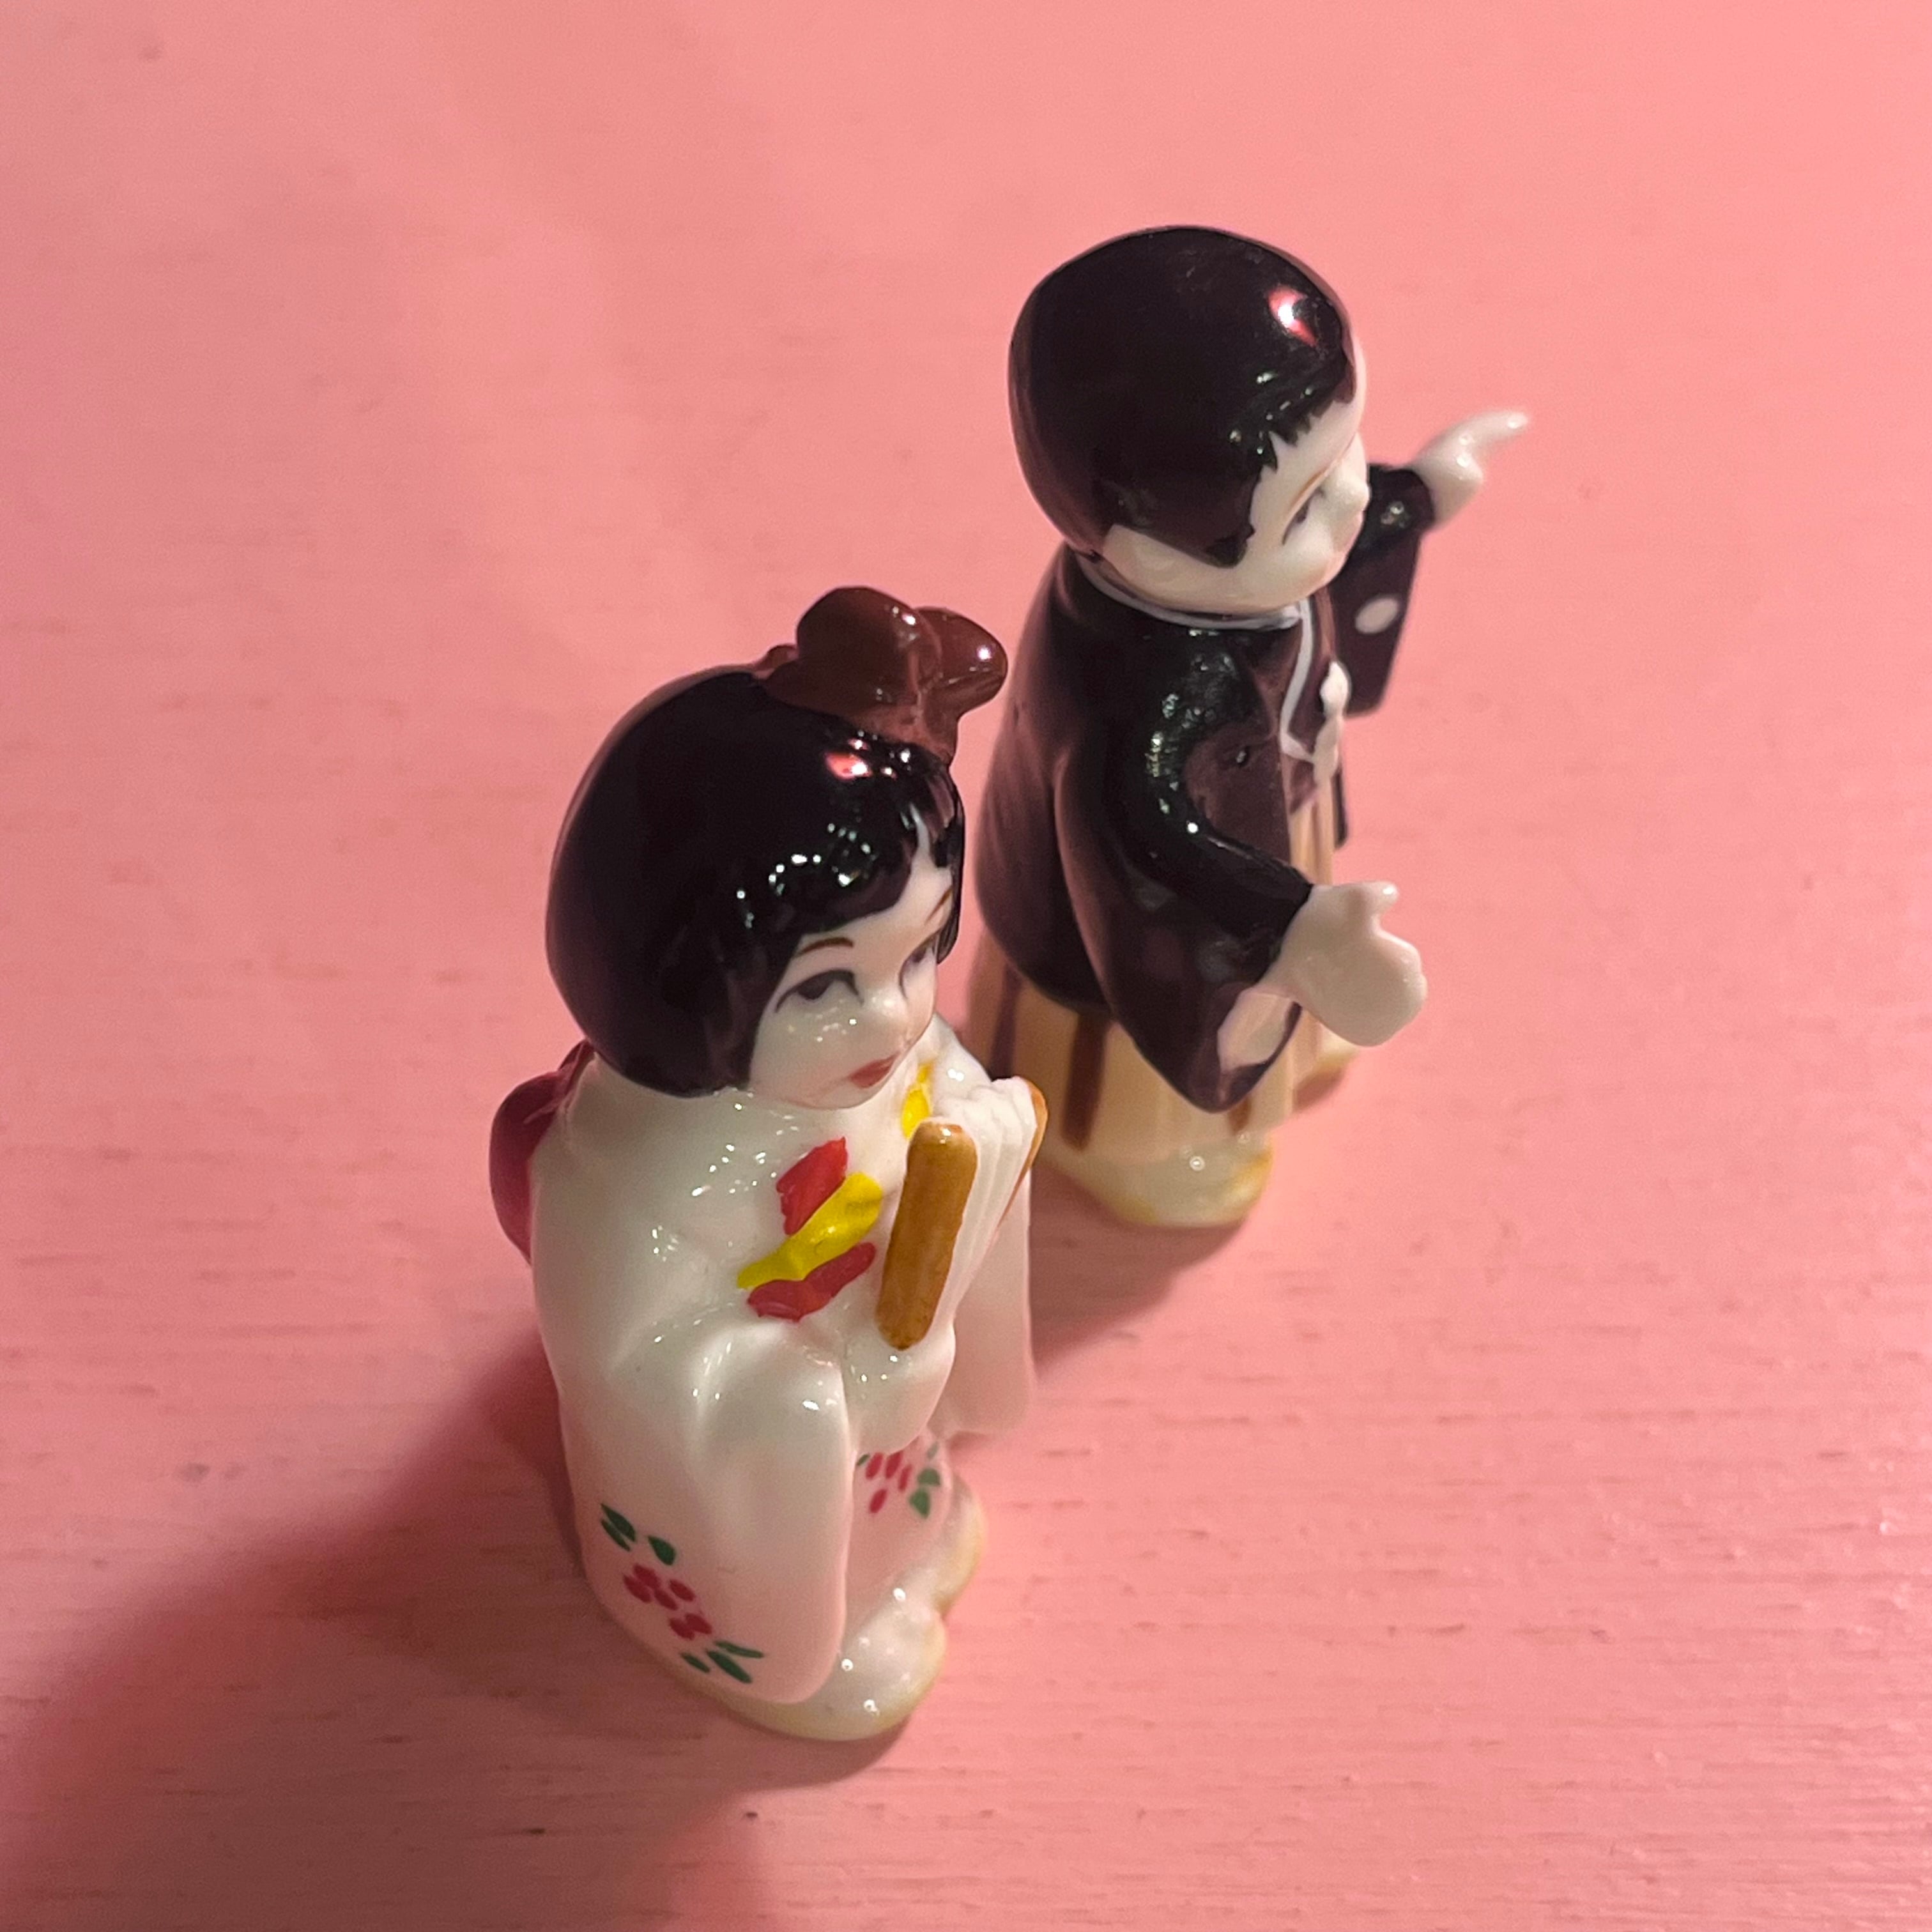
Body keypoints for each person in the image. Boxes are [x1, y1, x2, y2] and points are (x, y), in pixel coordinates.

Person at [492, 588, 1040, 1739]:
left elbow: (950, 1137)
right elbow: (645, 1371)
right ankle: (789, 1642)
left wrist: (981, 1187)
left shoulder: (886, 1062)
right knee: (808, 1502)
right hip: (780, 1488)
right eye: (827, 984)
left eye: (919, 956)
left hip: (885, 1445)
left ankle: (901, 1545)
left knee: (903, 1494)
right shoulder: (635, 1178)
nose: (892, 1019)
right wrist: (842, 1378)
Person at [969, 226, 1526, 1225]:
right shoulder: (1143, 697)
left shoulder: (1239, 571)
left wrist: (1418, 494)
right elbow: (1153, 849)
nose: (1350, 498)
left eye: (1347, 450)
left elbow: (1345, 521)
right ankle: (1126, 1141)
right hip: (1136, 905)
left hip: (1269, 810)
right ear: (1149, 550)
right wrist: (1286, 929)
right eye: (1307, 503)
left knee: (1290, 952)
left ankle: (1293, 1022)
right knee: (1163, 1000)